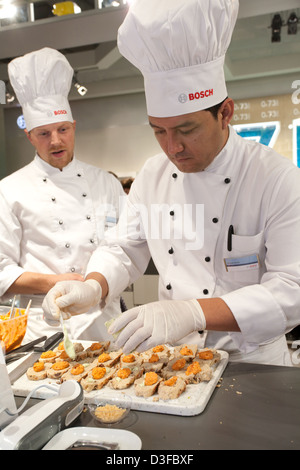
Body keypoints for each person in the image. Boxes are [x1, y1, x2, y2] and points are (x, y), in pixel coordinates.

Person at [42, 0, 300, 365]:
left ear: (225, 113)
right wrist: (93, 285)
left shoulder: (277, 179)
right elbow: (124, 248)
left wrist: (193, 312)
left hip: (254, 363)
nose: (172, 147)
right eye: (159, 131)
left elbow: (292, 291)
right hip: (174, 358)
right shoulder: (152, 176)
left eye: (187, 129)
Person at [0, 47, 124, 342]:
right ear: (29, 135)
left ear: (74, 127)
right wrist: (55, 283)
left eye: (63, 129)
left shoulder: (106, 182)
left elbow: (127, 247)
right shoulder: (9, 190)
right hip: (46, 330)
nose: (55, 140)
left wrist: (94, 285)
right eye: (43, 133)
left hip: (107, 322)